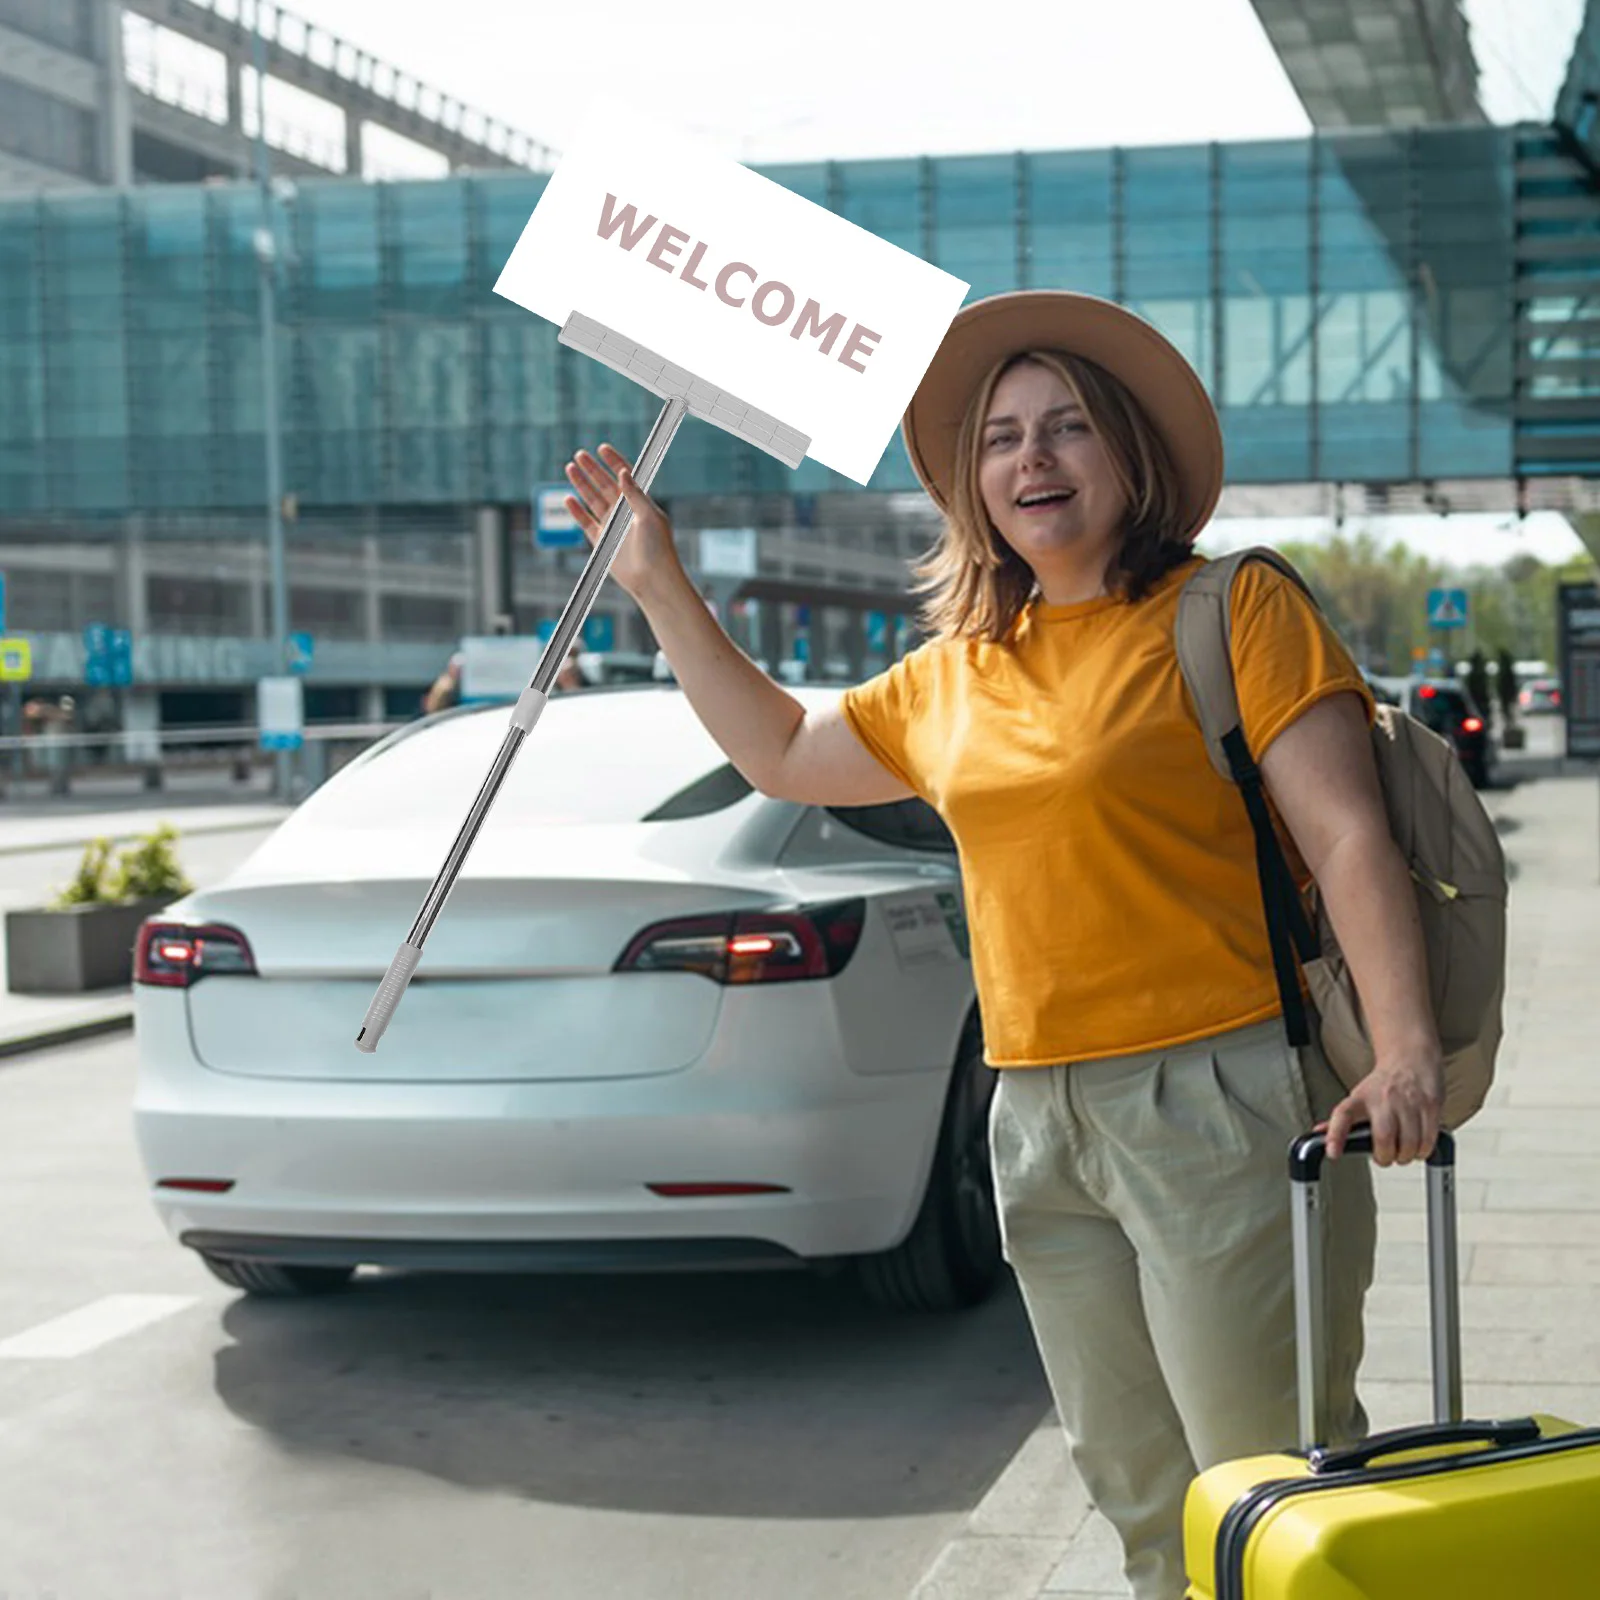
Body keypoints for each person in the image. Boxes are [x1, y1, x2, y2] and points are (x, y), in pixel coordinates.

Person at [560, 290, 1443, 1600]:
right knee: (1143, 1501)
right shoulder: (955, 670)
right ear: (972, 485)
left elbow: (1350, 839)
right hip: (1032, 1114)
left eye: (1067, 427)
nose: (1032, 459)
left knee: (1270, 1491)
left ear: (1128, 456)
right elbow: (784, 752)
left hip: (1220, 1100)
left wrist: (1408, 1047)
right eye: (1001, 438)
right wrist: (659, 583)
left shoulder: (1229, 612)